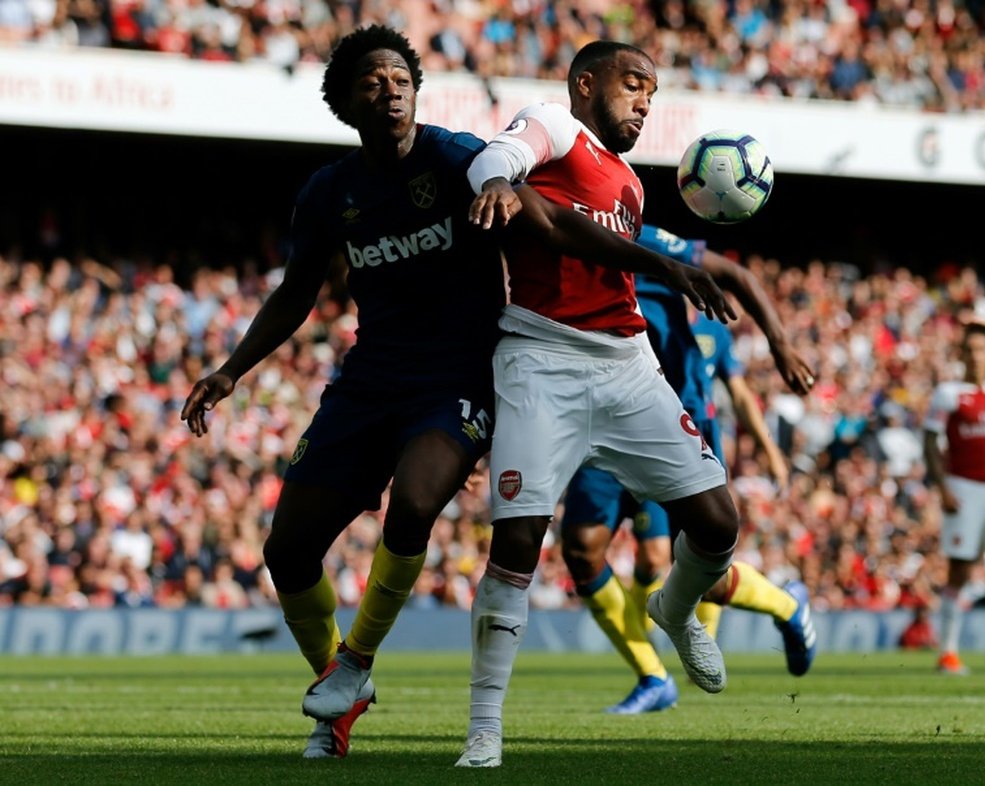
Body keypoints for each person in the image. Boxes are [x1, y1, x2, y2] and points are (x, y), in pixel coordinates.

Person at [180, 25, 509, 759]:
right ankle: (341, 693)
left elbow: (504, 175)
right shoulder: (331, 193)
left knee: (417, 504)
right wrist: (232, 369)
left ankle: (355, 662)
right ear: (345, 103)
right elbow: (295, 293)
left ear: (416, 88)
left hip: (455, 378)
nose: (389, 90)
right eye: (371, 82)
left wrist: (498, 183)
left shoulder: (454, 157)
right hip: (369, 383)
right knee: (288, 551)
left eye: (399, 78)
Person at [454, 40, 780, 767]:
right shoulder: (553, 126)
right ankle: (484, 729)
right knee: (516, 548)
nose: (644, 102)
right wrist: (505, 180)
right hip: (541, 359)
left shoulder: (629, 184)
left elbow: (594, 245)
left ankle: (673, 607)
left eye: (652, 93)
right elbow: (490, 160)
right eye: (634, 84)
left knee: (719, 524)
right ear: (585, 82)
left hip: (628, 366)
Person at [560, 226, 817, 714]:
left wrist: (780, 344)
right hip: (595, 412)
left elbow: (734, 274)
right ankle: (653, 676)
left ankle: (787, 605)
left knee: (693, 572)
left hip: (666, 420)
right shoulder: (554, 235)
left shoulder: (638, 239)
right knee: (581, 549)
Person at [923, 321, 985, 675]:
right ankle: (948, 653)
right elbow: (930, 443)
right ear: (961, 355)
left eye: (980, 349)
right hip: (964, 489)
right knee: (961, 570)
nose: (974, 355)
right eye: (968, 349)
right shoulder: (948, 393)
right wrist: (942, 487)